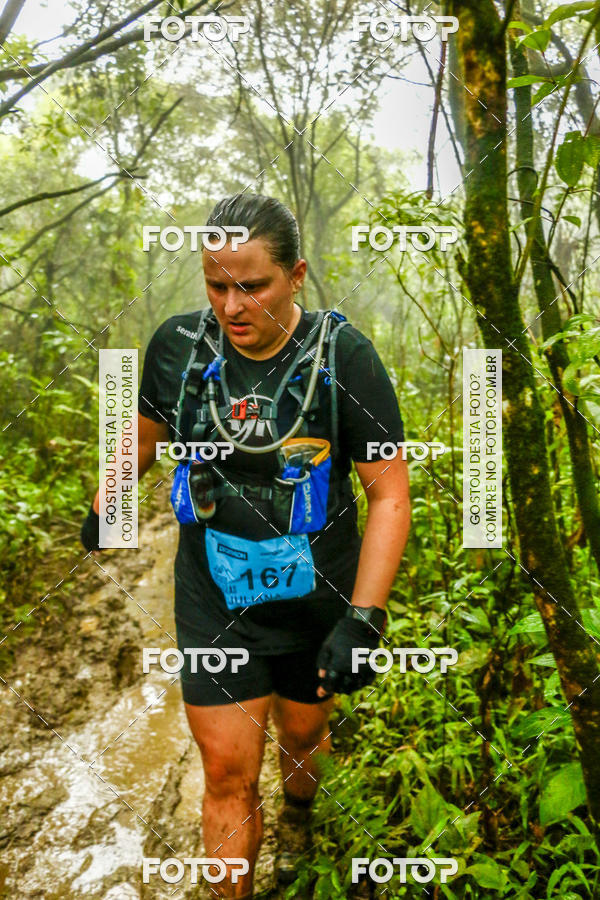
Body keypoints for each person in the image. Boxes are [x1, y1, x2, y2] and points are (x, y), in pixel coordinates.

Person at [81, 194, 410, 899]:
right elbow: (137, 440)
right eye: (215, 283)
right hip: (213, 597)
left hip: (318, 594)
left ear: (296, 276)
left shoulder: (343, 355)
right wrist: (108, 502)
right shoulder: (176, 347)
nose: (232, 305)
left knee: (301, 743)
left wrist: (364, 617)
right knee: (227, 774)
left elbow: (388, 492)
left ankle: (299, 816)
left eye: (252, 285)